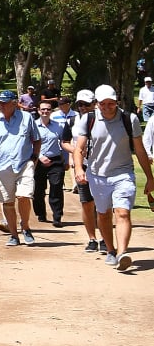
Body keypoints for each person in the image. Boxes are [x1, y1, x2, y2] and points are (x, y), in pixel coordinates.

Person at [72, 85, 153, 270]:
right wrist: (78, 168)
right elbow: (79, 148)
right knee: (103, 214)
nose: (107, 107)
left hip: (123, 173)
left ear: (117, 101)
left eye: (111, 103)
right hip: (97, 175)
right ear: (97, 104)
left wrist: (150, 177)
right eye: (103, 104)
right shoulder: (88, 119)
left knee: (123, 212)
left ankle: (122, 253)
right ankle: (110, 250)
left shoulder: (129, 119)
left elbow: (139, 150)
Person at [0, 90, 41, 246]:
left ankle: (26, 226)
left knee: (24, 196)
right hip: (2, 166)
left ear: (14, 103)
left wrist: (34, 158)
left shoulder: (27, 118)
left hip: (24, 164)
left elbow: (36, 139)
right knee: (7, 202)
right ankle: (14, 235)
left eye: (4, 103)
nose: (0, 105)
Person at [61, 90, 102, 253]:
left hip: (102, 167)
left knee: (103, 205)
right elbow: (64, 142)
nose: (83, 107)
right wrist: (76, 150)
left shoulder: (104, 119)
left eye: (87, 104)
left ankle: (105, 238)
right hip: (83, 166)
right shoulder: (72, 121)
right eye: (80, 105)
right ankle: (92, 239)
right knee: (86, 203)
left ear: (94, 104)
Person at [32, 101, 66, 226]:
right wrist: (40, 157)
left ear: (51, 111)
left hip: (55, 160)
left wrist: (67, 161)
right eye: (43, 109)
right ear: (38, 111)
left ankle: (57, 216)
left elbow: (64, 143)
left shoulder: (59, 126)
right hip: (38, 161)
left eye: (48, 109)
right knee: (38, 190)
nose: (45, 112)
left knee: (56, 187)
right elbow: (29, 144)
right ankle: (40, 213)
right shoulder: (33, 126)